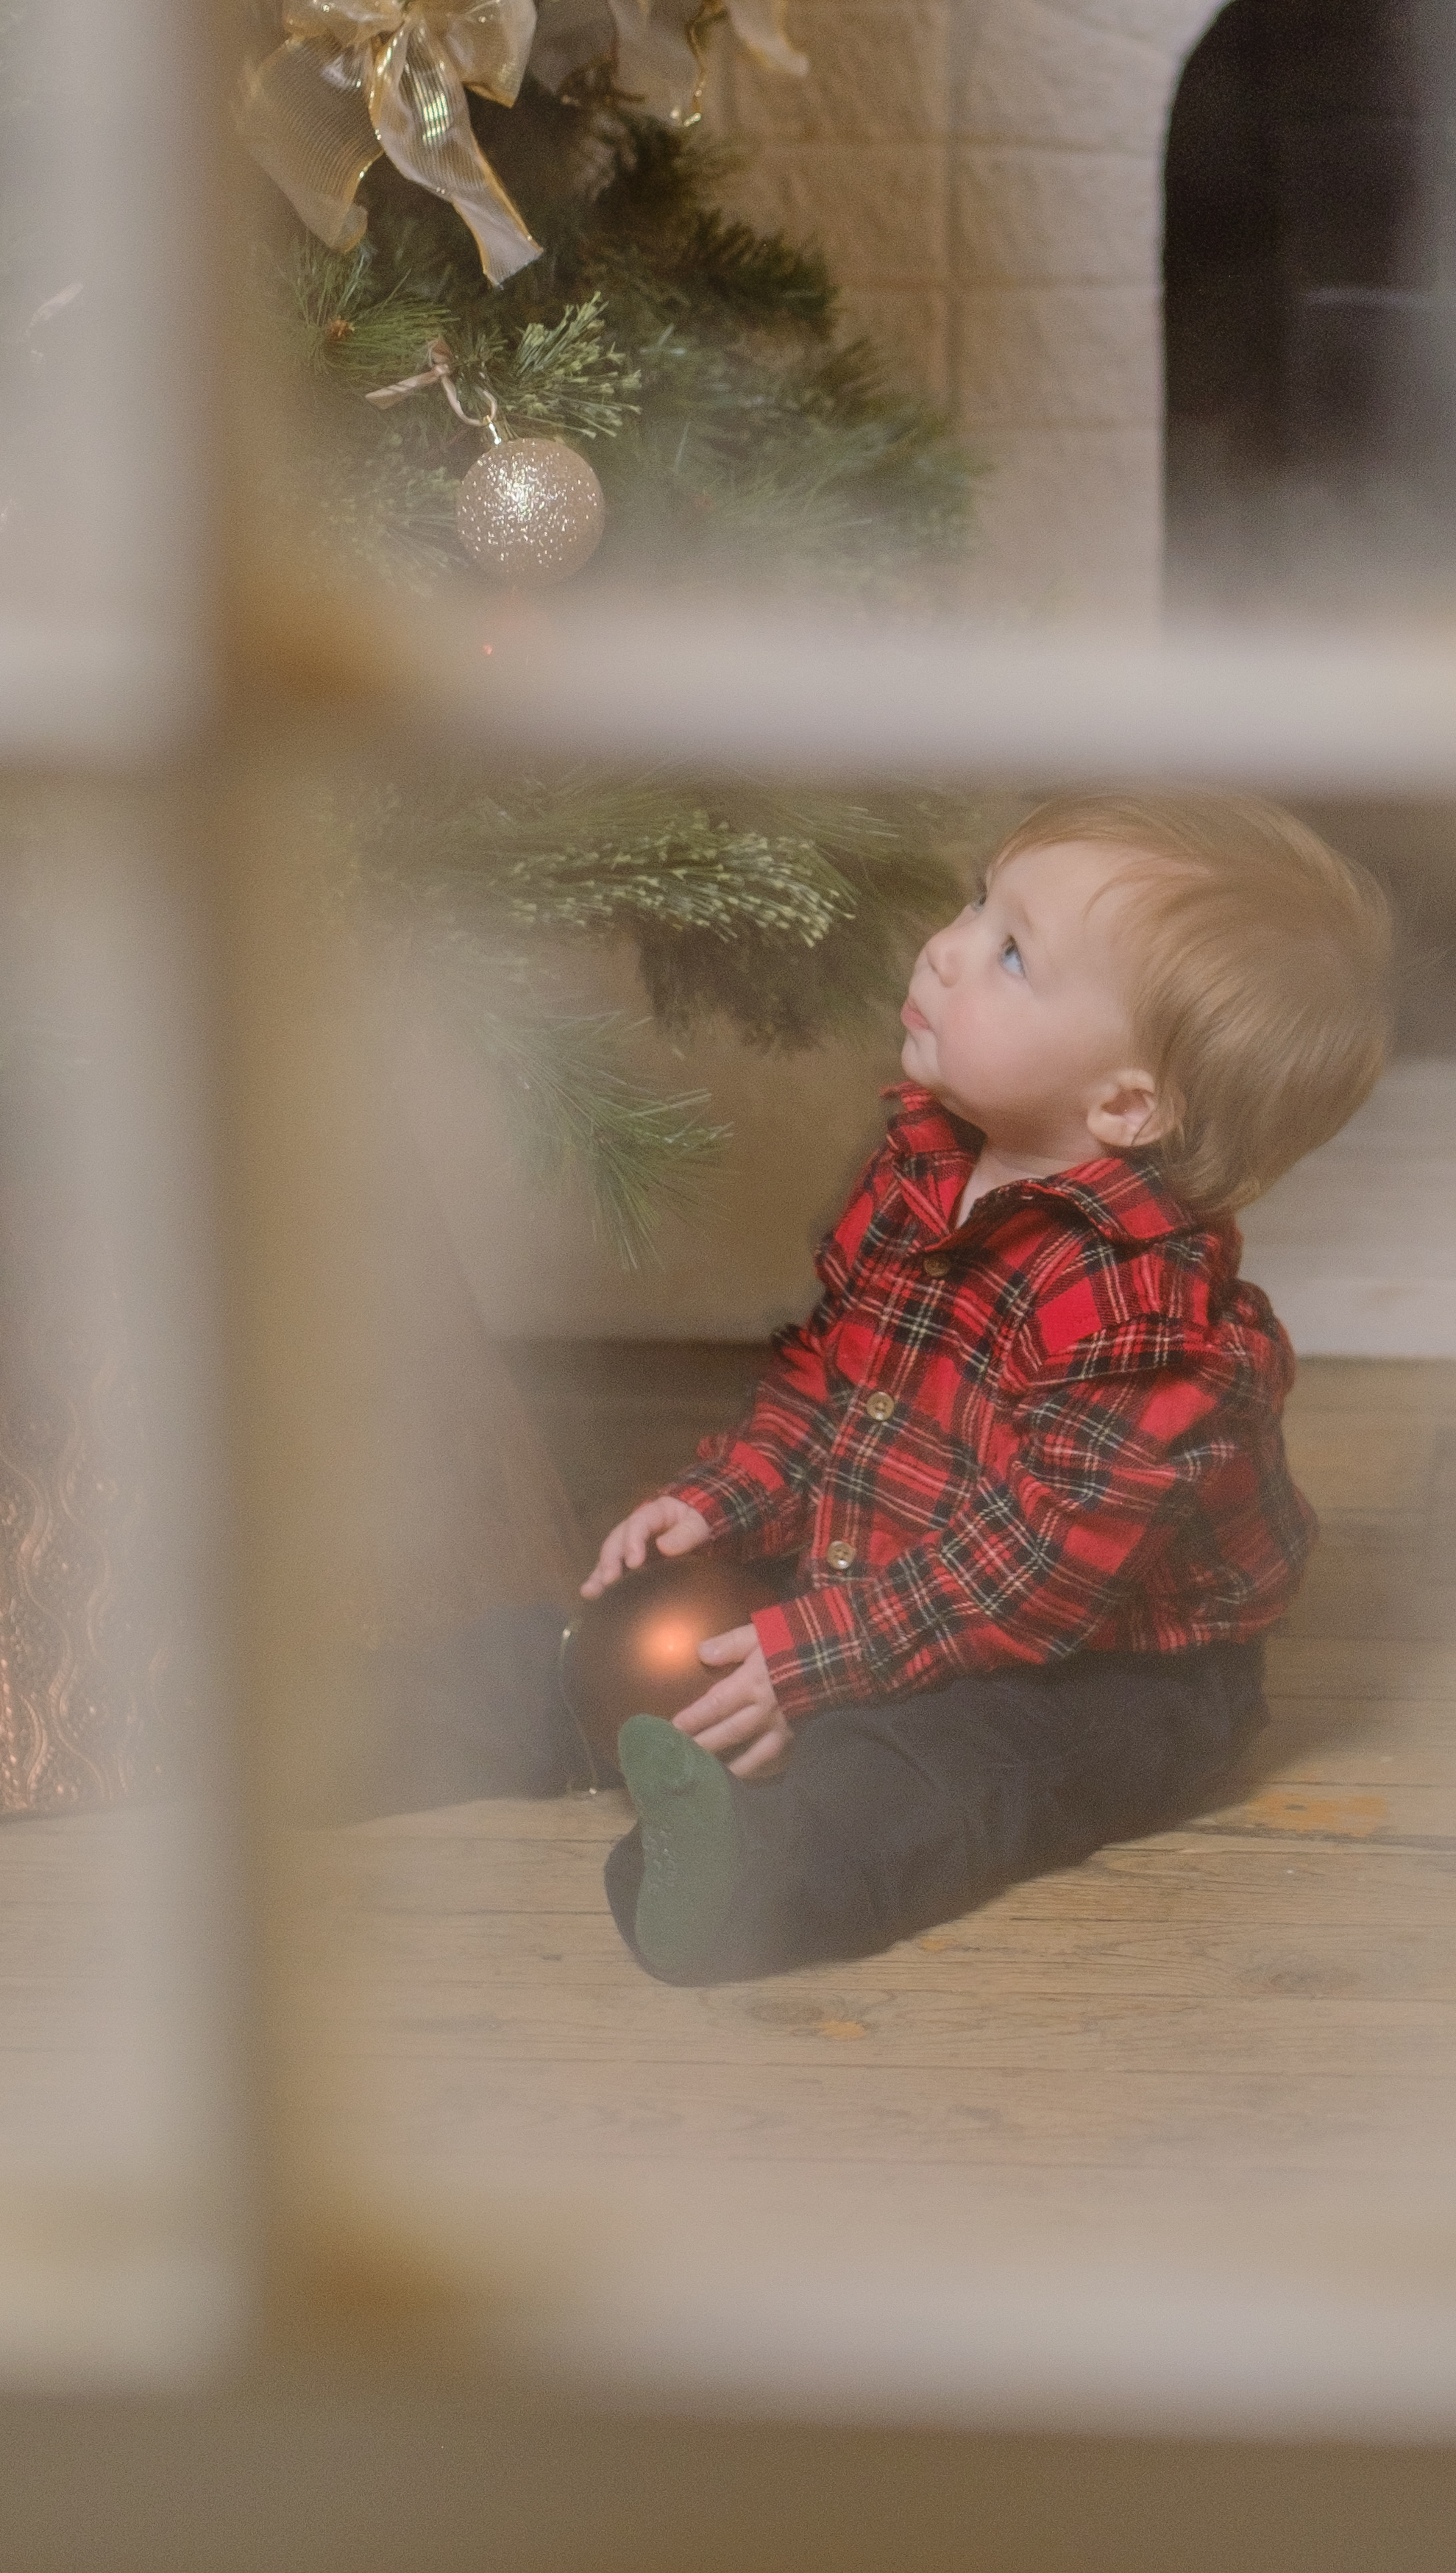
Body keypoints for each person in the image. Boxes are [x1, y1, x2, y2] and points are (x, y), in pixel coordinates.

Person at [392, 790, 1393, 1984]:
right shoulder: (929, 1162)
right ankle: (385, 1719)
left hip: (1105, 1662)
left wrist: (813, 1654)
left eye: (1012, 953)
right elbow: (836, 1380)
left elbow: (1032, 1575)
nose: (948, 947)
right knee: (628, 1636)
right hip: (900, 1566)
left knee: (937, 1769)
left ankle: (754, 1877)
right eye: (979, 903)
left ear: (1125, 1103)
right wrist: (729, 1499)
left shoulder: (1139, 1319)